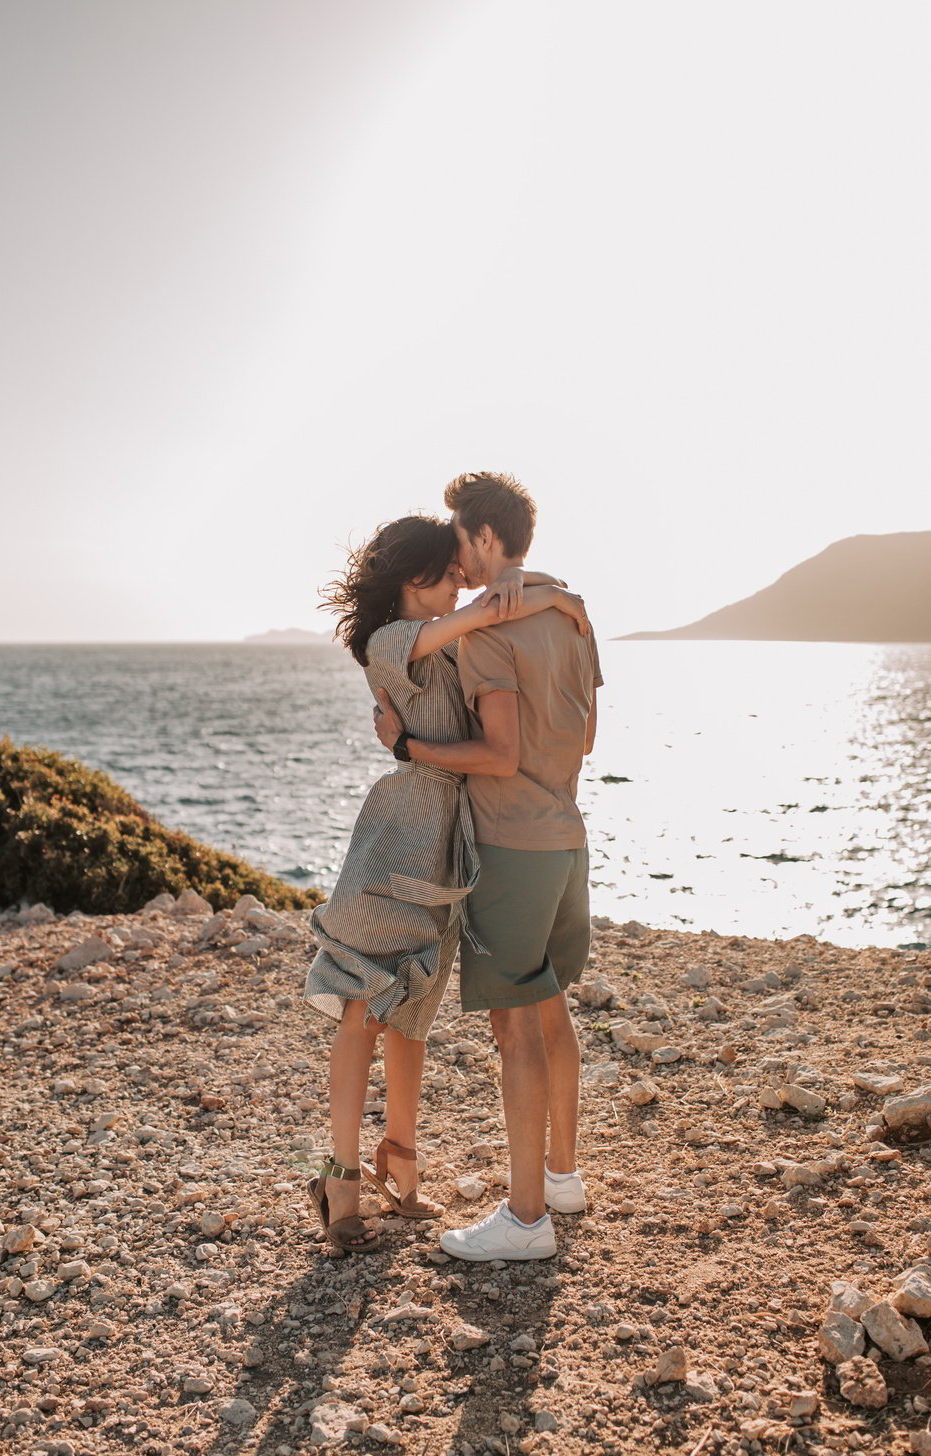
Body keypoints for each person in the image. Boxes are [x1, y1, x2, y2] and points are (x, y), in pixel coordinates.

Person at [304, 514, 589, 1253]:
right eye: (446, 571)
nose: (460, 581)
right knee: (364, 999)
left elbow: (487, 618)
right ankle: (339, 1181)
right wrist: (564, 602)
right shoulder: (387, 641)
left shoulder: (451, 639)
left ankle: (400, 1162)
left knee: (413, 1007)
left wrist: (556, 604)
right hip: (401, 831)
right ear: (410, 578)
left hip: (450, 842)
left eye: (461, 570)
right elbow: (491, 607)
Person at [374, 473, 601, 1261]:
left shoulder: (482, 634)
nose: (457, 563)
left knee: (515, 1026)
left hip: (511, 842)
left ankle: (526, 1217)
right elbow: (588, 736)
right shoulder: (572, 614)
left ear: (481, 534)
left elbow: (497, 754)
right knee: (548, 1004)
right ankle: (563, 1177)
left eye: (458, 540)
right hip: (566, 835)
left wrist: (413, 749)